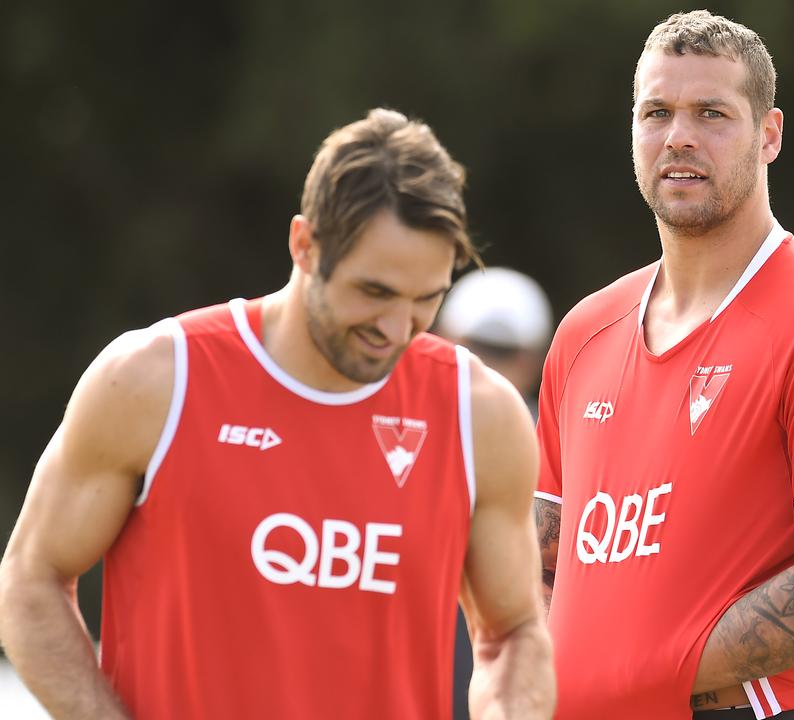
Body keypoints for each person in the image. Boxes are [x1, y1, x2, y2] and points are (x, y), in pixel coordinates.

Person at [0, 108, 555, 719]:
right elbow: (32, 577)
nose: (398, 328)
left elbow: (515, 633)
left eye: (426, 299)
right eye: (374, 292)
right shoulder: (155, 380)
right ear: (305, 246)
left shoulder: (480, 414)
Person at [535, 11, 794, 720]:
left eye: (711, 113)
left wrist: (632, 675)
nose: (679, 135)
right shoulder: (585, 329)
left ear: (769, 135)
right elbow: (534, 567)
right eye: (657, 113)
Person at [434, 265, 554, 719]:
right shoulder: (396, 426)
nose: (486, 365)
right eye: (475, 346)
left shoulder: (560, 443)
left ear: (533, 360)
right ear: (442, 337)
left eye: (504, 352)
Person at [437, 266, 554, 418]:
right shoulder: (406, 418)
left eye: (501, 353)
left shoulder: (554, 437)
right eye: (473, 348)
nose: (485, 367)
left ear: (536, 362)